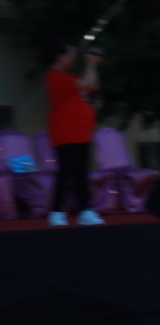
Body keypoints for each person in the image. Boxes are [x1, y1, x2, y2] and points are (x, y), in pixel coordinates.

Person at [44, 37, 103, 226]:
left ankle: (85, 210)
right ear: (59, 56)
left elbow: (93, 85)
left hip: (82, 133)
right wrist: (90, 64)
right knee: (66, 172)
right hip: (66, 133)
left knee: (81, 173)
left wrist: (92, 65)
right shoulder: (55, 76)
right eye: (69, 53)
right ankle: (56, 211)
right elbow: (86, 83)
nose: (72, 57)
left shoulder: (72, 77)